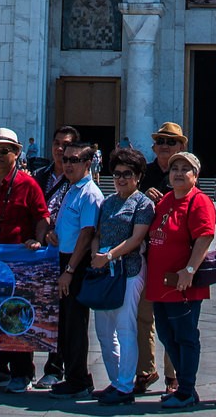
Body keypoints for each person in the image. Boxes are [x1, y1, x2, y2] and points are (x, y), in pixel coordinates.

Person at [0, 127, 50, 392]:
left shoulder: (27, 183)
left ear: (17, 153)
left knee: (17, 315)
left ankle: (22, 372)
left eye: (3, 151)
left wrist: (37, 239)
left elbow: (42, 215)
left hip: (18, 261)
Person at [145, 149, 216, 411]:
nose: (177, 173)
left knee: (185, 336)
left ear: (195, 176)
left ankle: (186, 388)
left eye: (184, 169)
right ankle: (186, 387)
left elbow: (205, 236)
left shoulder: (198, 201)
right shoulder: (166, 200)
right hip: (160, 283)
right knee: (166, 333)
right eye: (174, 168)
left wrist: (189, 270)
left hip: (181, 283)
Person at [90, 147, 155, 406]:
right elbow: (96, 234)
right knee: (104, 331)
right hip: (105, 273)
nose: (121, 179)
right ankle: (117, 380)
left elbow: (137, 238)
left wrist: (110, 256)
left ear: (138, 176)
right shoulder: (107, 202)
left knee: (125, 327)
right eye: (117, 174)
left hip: (129, 271)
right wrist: (97, 256)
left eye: (127, 174)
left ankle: (126, 385)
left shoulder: (143, 203)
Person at [52, 142, 107, 397]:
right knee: (66, 322)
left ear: (88, 164)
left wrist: (71, 269)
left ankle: (79, 380)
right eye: (66, 160)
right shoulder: (71, 189)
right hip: (65, 260)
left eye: (74, 160)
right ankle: (74, 374)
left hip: (76, 264)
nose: (68, 165)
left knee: (75, 323)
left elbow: (86, 235)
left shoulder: (90, 193)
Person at [135, 122, 185, 396]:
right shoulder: (145, 174)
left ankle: (172, 375)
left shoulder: (184, 175)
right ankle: (145, 370)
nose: (165, 146)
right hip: (146, 253)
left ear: (181, 147)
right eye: (161, 142)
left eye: (171, 142)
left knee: (174, 319)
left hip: (175, 256)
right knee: (145, 317)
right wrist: (143, 196)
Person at [35, 124, 83, 389]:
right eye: (57, 143)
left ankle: (56, 367)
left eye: (66, 145)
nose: (60, 149)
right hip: (40, 253)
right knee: (32, 306)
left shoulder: (77, 181)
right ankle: (21, 367)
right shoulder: (40, 176)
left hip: (66, 255)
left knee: (64, 313)